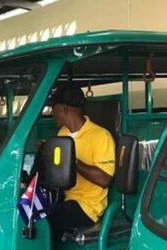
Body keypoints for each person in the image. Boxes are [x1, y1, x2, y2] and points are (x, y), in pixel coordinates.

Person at [46, 84, 116, 237]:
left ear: (64, 108)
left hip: (87, 206)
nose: (52, 113)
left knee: (45, 222)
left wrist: (72, 161)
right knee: (28, 212)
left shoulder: (100, 136)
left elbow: (104, 179)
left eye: (54, 109)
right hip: (65, 196)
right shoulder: (62, 132)